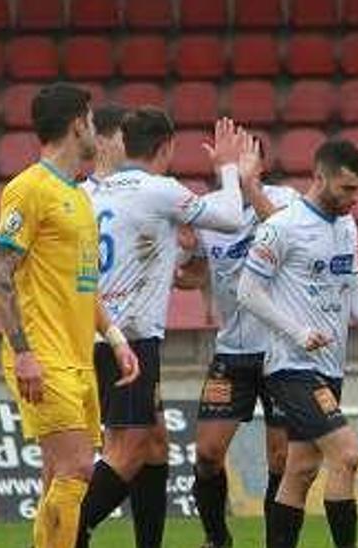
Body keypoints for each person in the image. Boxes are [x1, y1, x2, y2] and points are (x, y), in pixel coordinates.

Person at [77, 112, 250, 548]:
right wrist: (227, 167)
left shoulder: (91, 190)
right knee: (129, 449)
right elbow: (231, 217)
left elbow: (136, 252)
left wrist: (174, 253)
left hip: (96, 331)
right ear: (166, 147)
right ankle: (67, 532)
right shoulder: (159, 190)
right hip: (128, 340)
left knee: (155, 442)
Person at [0, 82, 139, 548]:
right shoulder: (28, 189)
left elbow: (84, 283)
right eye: (92, 121)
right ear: (78, 123)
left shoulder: (77, 197)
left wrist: (115, 337)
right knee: (77, 469)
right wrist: (24, 354)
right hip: (42, 356)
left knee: (57, 475)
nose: (95, 130)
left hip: (77, 357)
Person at [238, 139, 358, 548]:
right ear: (320, 177)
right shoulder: (282, 227)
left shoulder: (345, 226)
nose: (354, 199)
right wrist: (298, 332)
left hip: (329, 366)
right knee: (346, 454)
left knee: (301, 470)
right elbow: (248, 291)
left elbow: (352, 283)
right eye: (346, 189)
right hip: (291, 366)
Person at [182, 133, 302, 548]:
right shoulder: (211, 212)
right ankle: (217, 539)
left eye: (245, 158)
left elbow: (294, 244)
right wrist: (178, 260)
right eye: (229, 161)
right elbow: (194, 272)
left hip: (281, 352)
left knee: (282, 459)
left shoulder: (286, 200)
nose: (235, 166)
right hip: (232, 352)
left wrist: (249, 187)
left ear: (262, 165)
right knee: (208, 454)